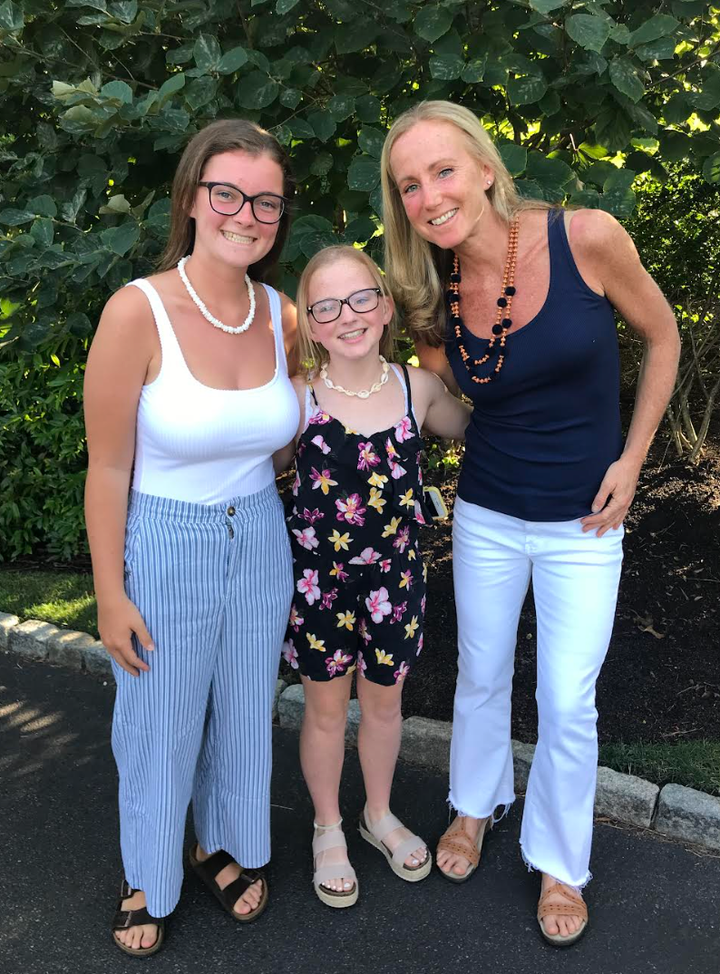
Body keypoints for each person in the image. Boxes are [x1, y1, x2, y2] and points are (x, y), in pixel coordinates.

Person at [381, 100, 680, 946]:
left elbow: (664, 337)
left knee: (567, 698)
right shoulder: (429, 290)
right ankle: (473, 807)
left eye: (442, 170)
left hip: (584, 521)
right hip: (484, 511)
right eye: (409, 185)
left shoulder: (585, 236)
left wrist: (632, 460)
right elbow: (438, 401)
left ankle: (560, 859)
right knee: (478, 674)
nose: (430, 195)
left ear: (483, 167)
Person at [84, 119, 299, 956]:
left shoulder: (282, 316)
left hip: (261, 537)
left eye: (267, 202)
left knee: (245, 709)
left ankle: (216, 844)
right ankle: (148, 871)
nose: (246, 213)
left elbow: (293, 434)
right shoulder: (137, 311)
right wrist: (110, 591)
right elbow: (106, 470)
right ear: (191, 198)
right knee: (160, 719)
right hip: (167, 538)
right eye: (228, 194)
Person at [274, 244, 471, 907]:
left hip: (396, 581)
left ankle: (378, 813)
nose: (347, 316)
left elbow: (475, 426)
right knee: (327, 712)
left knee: (385, 704)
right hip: (318, 587)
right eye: (325, 306)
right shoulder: (295, 402)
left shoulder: (417, 390)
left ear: (385, 307)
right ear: (308, 322)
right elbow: (257, 468)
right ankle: (328, 825)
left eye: (361, 297)